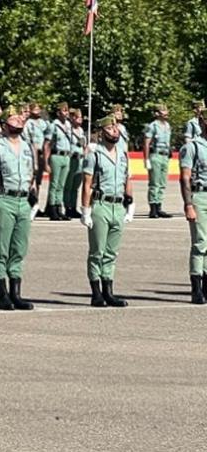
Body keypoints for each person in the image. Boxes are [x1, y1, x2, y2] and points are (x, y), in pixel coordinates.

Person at [0, 107, 37, 311]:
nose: (19, 121)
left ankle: (16, 293)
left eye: (19, 118)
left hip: (23, 201)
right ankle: (2, 294)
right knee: (1, 249)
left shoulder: (26, 146)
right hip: (5, 199)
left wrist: (34, 198)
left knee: (19, 248)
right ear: (4, 124)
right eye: (13, 118)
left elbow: (31, 173)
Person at [81, 116, 133, 308]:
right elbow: (86, 184)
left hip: (118, 206)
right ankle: (96, 293)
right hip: (100, 205)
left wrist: (130, 203)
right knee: (97, 252)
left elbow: (128, 179)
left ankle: (108, 291)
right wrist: (85, 210)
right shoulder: (94, 154)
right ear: (102, 132)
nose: (115, 131)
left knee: (111, 252)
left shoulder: (123, 154)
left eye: (116, 127)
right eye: (110, 128)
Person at [181, 109, 207, 304]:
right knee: (200, 242)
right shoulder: (193, 147)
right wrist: (188, 204)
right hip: (199, 196)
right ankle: (196, 287)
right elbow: (185, 177)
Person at [43, 102, 74, 221]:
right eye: (63, 111)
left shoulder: (68, 125)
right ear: (58, 113)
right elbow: (47, 144)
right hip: (56, 155)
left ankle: (59, 208)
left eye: (67, 111)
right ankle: (52, 209)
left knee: (62, 185)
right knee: (54, 184)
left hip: (66, 156)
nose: (66, 113)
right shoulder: (53, 125)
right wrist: (46, 162)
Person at [143, 104, 174, 218]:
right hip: (155, 155)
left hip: (165, 155)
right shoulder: (152, 126)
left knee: (162, 183)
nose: (166, 113)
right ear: (156, 114)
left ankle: (159, 206)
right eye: (162, 111)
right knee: (154, 183)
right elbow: (146, 142)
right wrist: (146, 159)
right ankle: (153, 208)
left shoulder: (167, 125)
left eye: (166, 110)